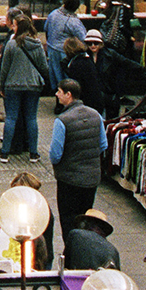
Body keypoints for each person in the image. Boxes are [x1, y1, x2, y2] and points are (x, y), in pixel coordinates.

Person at [49, 79, 106, 233]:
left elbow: (55, 154)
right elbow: (103, 145)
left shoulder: (62, 120)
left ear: (69, 94)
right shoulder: (96, 115)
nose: (56, 95)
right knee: (85, 217)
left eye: (59, 91)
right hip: (91, 179)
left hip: (69, 180)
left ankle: (71, 251)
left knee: (68, 219)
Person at [0, 16, 50, 159]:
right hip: (33, 85)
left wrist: (2, 85)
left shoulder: (11, 44)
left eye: (14, 26)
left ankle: (5, 152)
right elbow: (44, 67)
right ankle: (33, 153)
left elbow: (4, 68)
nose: (12, 28)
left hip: (13, 84)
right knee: (31, 118)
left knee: (11, 118)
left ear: (18, 28)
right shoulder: (37, 44)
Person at [44, 0, 87, 90]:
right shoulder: (73, 21)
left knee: (55, 79)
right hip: (65, 54)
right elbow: (84, 38)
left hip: (51, 49)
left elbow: (46, 29)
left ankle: (58, 102)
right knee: (67, 82)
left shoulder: (53, 14)